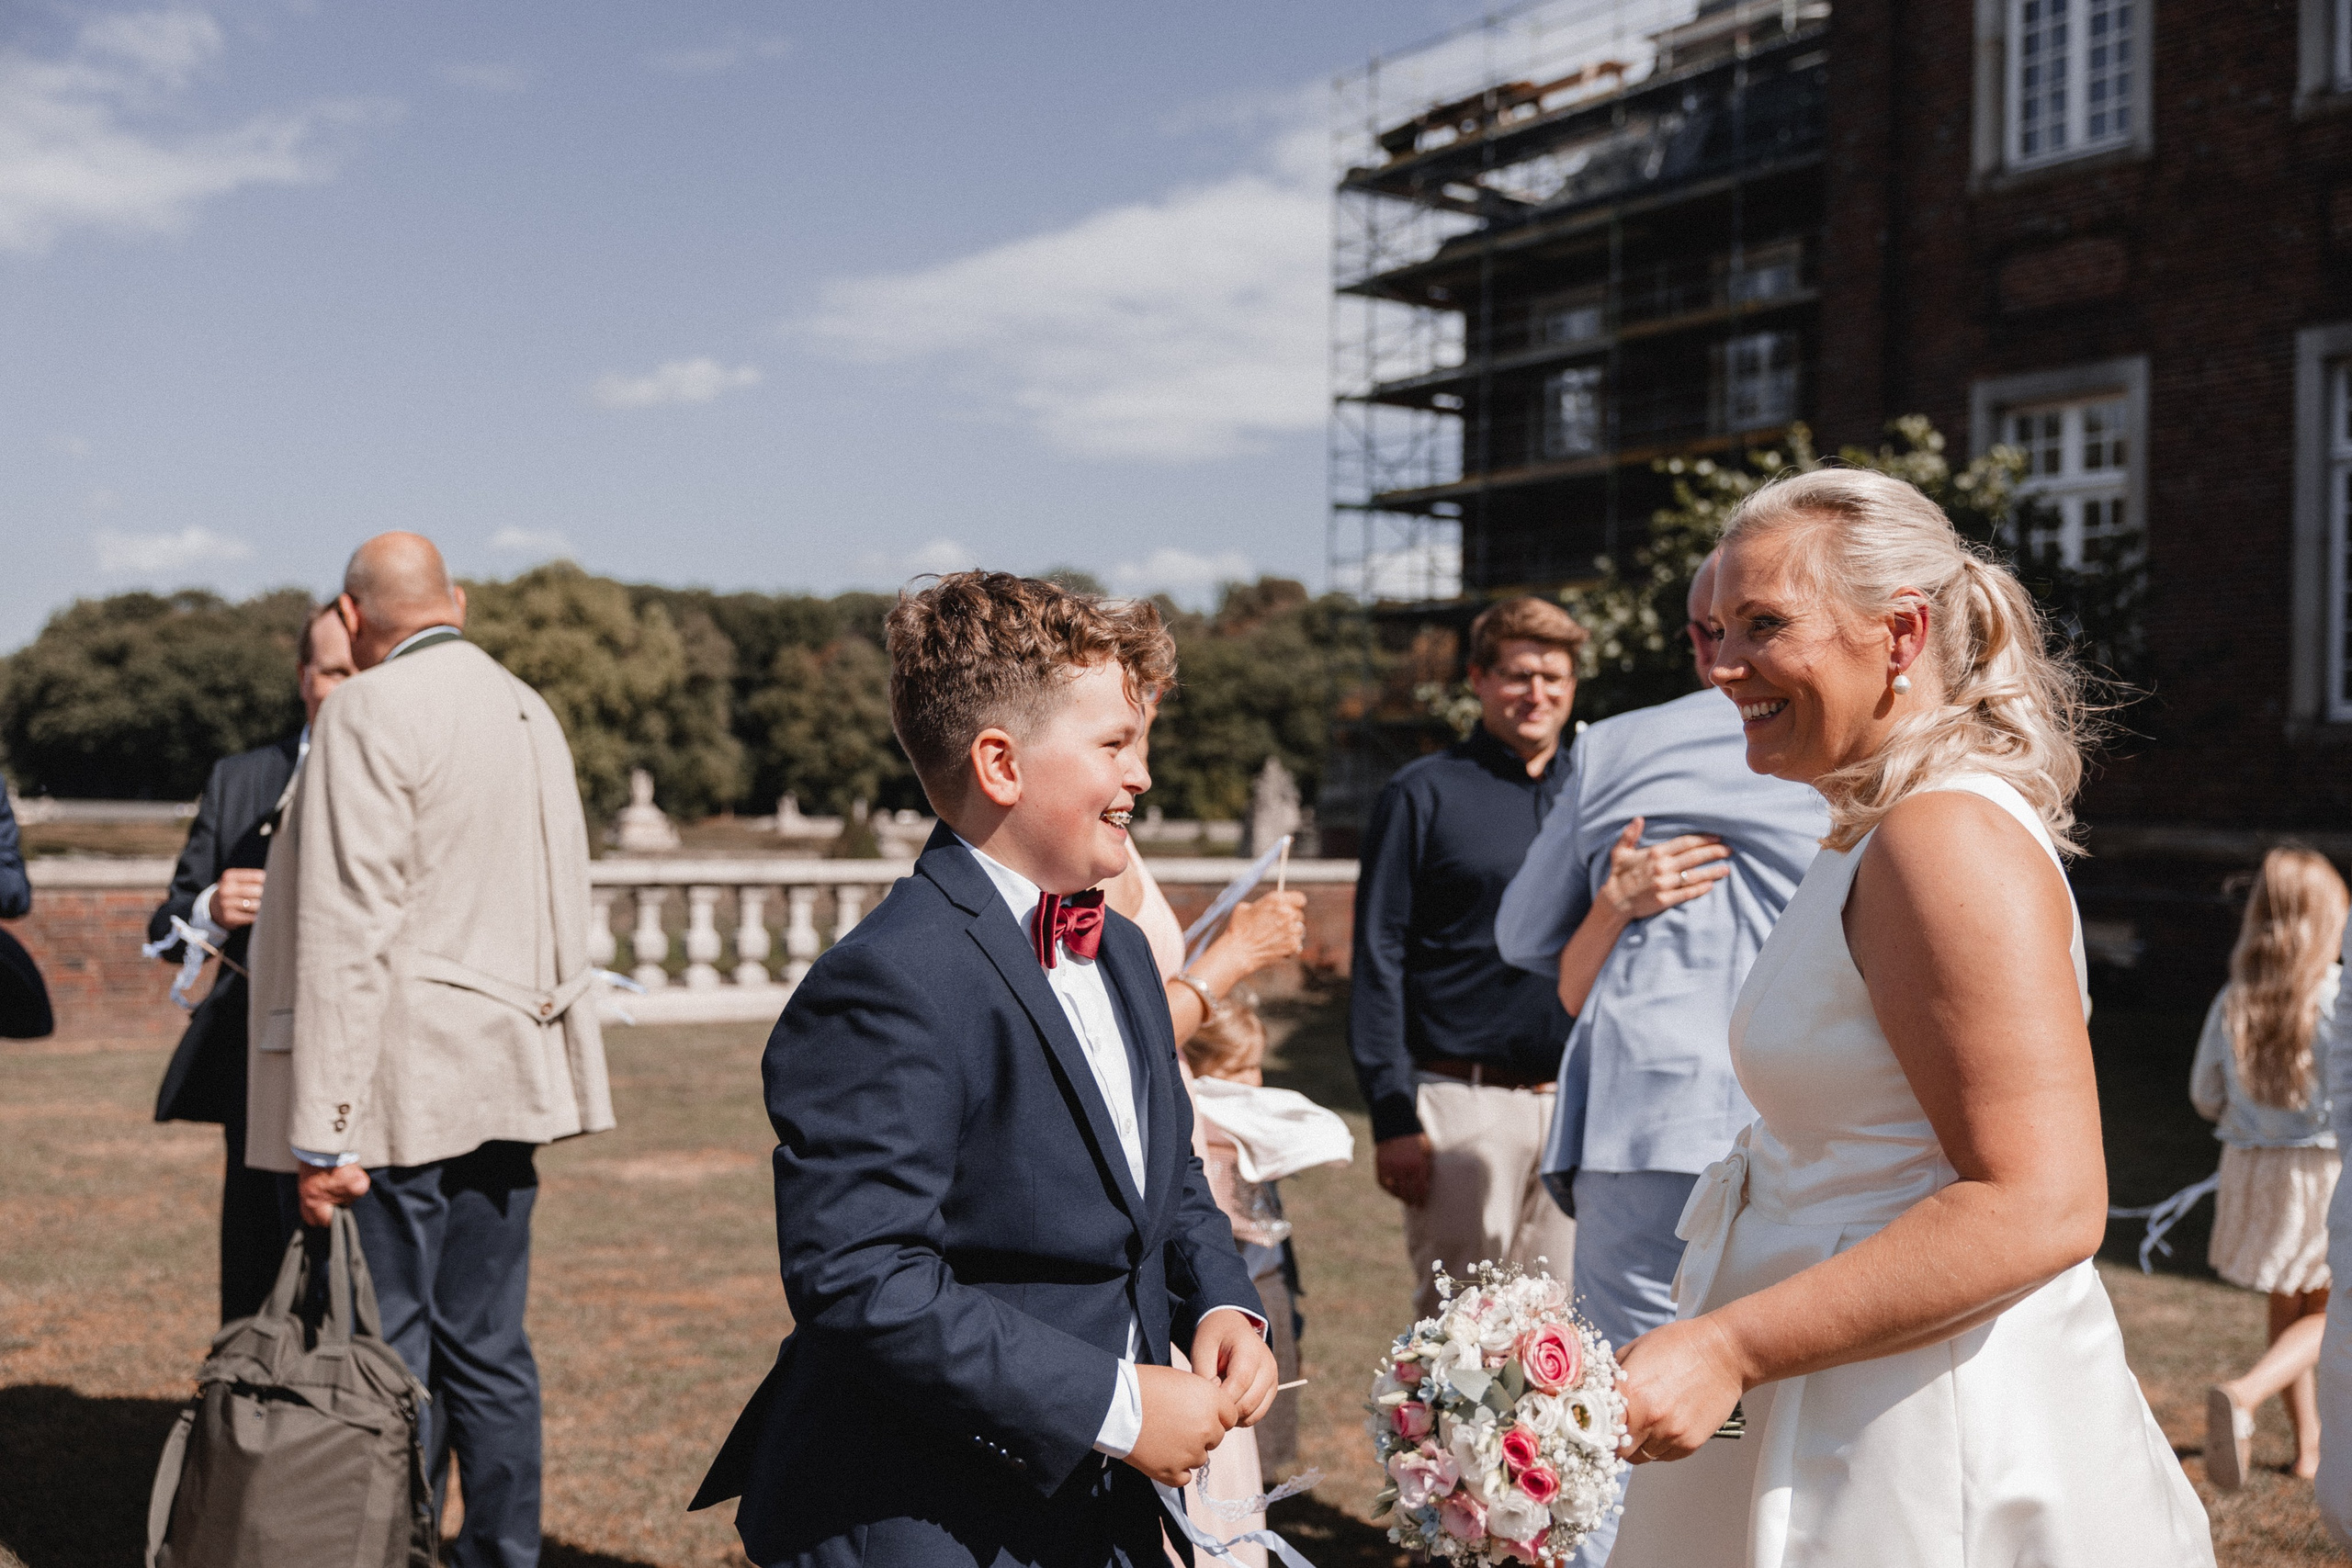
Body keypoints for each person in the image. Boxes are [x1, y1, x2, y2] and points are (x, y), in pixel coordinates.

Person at [1609, 468, 2211, 1562]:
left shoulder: (1940, 838)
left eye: (1763, 625)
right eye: (1719, 630)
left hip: (1915, 1437)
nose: (1724, 666)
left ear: (1899, 634)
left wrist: (1731, 1348)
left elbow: (2042, 1203)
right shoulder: (1873, 829)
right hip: (1833, 1388)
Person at [692, 571, 1275, 1568]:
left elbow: (1167, 1171)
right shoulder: (890, 980)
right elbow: (863, 1278)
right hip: (927, 1511)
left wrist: (1220, 1300)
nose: (1141, 774)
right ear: (1001, 765)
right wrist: (1118, 1404)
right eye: (1113, 745)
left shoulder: (1123, 951)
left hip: (1095, 1511)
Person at [246, 532, 614, 1568]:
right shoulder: (529, 709)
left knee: (387, 1353)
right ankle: (501, 1553)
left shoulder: (366, 708)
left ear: (351, 618)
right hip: (510, 1075)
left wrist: (324, 1131)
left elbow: (347, 926)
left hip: (401, 1088)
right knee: (490, 1349)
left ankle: (387, 1549)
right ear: (457, 601)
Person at [1491, 551, 1826, 1565]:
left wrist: (1615, 899)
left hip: (1642, 1117)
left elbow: (1519, 932)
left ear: (1694, 639)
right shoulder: (1845, 742)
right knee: (1774, 1403)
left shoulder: (1617, 747)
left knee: (1625, 1398)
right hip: (1797, 1113)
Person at [1351, 596, 1583, 1318]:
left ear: (1573, 684)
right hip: (1461, 1102)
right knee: (1460, 1336)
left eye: (1552, 676)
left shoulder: (1596, 795)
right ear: (1479, 679)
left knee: (1565, 1339)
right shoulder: (1422, 793)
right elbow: (1379, 952)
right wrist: (1392, 1113)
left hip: (1575, 1105)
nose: (1536, 693)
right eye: (1517, 675)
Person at [149, 602, 356, 1322]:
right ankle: (250, 1385)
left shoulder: (407, 773)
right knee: (255, 1255)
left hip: (362, 1054)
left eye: (361, 670)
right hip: (253, 1055)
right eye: (333, 671)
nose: (349, 687)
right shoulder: (239, 778)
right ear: (303, 678)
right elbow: (165, 926)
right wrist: (212, 905)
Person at [2197, 850, 2348, 1489]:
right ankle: (2246, 1391)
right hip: (2324, 1171)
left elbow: (2205, 1093)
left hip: (2257, 1171)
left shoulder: (2234, 999)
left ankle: (2309, 1449)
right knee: (2334, 1308)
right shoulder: (2336, 997)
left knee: (2290, 1304)